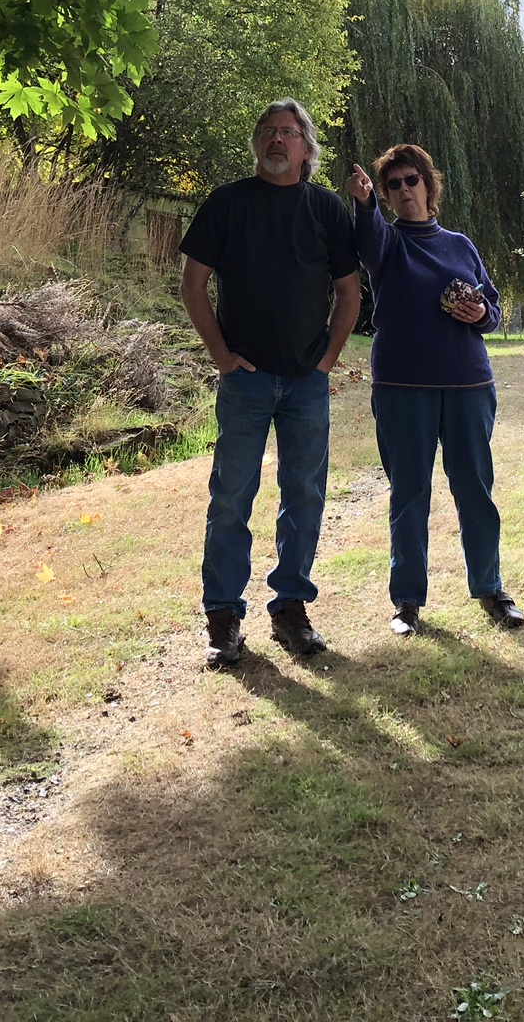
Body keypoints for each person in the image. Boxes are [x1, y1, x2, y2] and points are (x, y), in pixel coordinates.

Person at [179, 100, 361, 666]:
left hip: (307, 383)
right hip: (246, 382)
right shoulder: (226, 203)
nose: (277, 140)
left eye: (288, 132)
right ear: (258, 144)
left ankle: (290, 610)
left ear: (307, 148)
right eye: (269, 131)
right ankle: (222, 617)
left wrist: (328, 360)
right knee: (231, 496)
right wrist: (220, 354)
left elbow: (349, 293)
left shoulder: (327, 209)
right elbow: (192, 284)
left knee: (303, 495)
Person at [347, 144, 524, 636]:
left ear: (429, 185)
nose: (405, 189)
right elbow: (367, 238)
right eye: (394, 185)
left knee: (475, 490)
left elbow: (491, 307)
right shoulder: (386, 243)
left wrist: (482, 314)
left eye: (412, 180)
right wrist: (364, 203)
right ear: (387, 196)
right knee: (409, 493)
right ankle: (406, 602)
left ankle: (491, 589)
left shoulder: (461, 245)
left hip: (468, 384)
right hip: (403, 387)